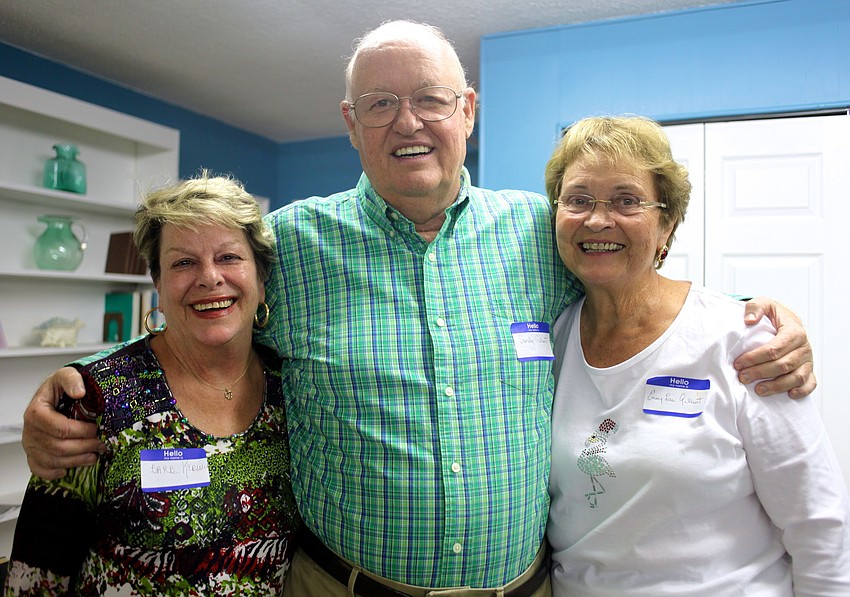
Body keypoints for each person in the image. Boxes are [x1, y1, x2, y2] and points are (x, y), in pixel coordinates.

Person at [20, 21, 816, 597]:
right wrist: (78, 385)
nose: (408, 122)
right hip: (343, 583)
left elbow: (643, 282)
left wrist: (760, 315)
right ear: (349, 123)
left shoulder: (545, 234)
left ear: (467, 110)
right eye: (380, 104)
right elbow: (205, 315)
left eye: (430, 99)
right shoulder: (290, 245)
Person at [544, 115, 850, 595]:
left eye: (627, 200)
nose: (598, 220)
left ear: (667, 223)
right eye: (578, 200)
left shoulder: (743, 341)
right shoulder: (553, 343)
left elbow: (819, 524)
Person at [4, 174, 301, 595]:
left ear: (261, 275)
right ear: (157, 283)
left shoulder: (291, 385)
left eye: (229, 257)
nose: (209, 278)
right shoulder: (95, 398)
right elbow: (37, 570)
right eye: (183, 263)